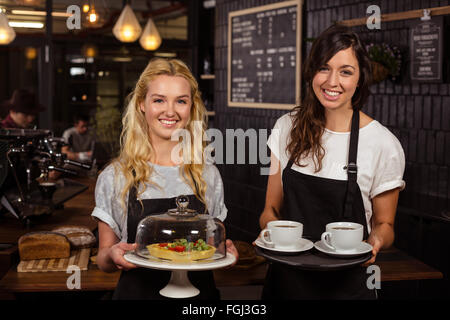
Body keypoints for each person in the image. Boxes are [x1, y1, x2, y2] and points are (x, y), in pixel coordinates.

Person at [259, 24, 405, 299]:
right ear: (311, 72)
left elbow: (386, 225)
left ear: (360, 79)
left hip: (347, 286)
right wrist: (270, 232)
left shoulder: (383, 143)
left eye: (346, 71)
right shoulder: (285, 127)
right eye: (323, 68)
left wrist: (375, 241)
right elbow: (270, 209)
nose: (332, 81)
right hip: (287, 283)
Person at [92, 58, 238, 300]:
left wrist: (225, 252)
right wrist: (112, 254)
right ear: (141, 104)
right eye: (158, 100)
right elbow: (103, 260)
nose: (170, 111)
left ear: (191, 107)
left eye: (181, 101)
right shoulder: (115, 176)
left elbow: (212, 247)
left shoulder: (207, 173)